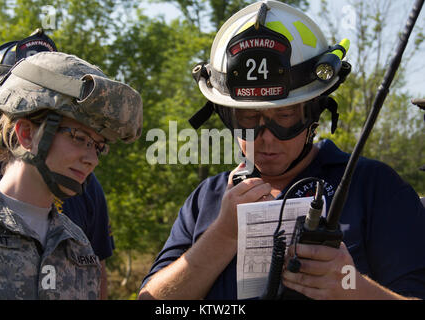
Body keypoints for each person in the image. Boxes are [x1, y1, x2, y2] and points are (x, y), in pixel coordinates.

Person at [139, 0, 425, 300]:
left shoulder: (373, 188)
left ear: (314, 113)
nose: (266, 140)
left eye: (285, 118)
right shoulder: (207, 200)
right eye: (248, 119)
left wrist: (351, 288)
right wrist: (223, 236)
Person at [0, 51, 143, 299]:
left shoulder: (79, 246)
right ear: (27, 134)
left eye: (98, 146)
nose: (92, 159)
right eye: (79, 137)